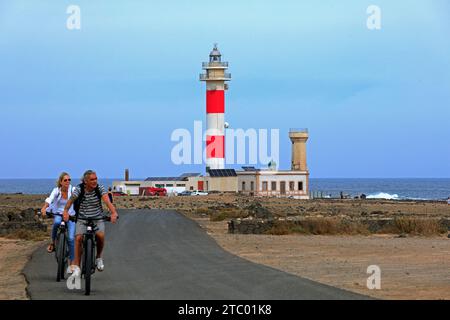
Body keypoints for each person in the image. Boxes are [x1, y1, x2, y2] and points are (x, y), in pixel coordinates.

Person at [62, 170, 118, 277]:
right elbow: (70, 201)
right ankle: (77, 266)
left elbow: (107, 201)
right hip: (82, 218)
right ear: (85, 181)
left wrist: (114, 213)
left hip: (97, 218)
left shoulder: (99, 188)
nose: (95, 181)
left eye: (96, 179)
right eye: (92, 179)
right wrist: (65, 212)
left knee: (100, 235)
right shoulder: (79, 189)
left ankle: (98, 258)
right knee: (78, 238)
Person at [40, 172, 76, 273]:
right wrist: (44, 207)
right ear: (61, 182)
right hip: (59, 214)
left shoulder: (73, 190)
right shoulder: (56, 191)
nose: (68, 182)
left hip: (71, 215)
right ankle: (52, 243)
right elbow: (49, 199)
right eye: (65, 180)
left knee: (71, 238)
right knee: (56, 223)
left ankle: (72, 262)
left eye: (69, 180)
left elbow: (79, 199)